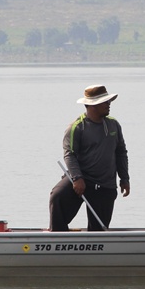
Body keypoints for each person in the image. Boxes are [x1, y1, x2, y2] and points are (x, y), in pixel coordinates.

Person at [49, 85, 130, 231]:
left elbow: (121, 152)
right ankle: (57, 237)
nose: (109, 104)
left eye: (108, 101)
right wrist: (77, 178)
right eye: (105, 102)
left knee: (98, 229)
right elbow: (69, 154)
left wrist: (124, 178)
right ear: (93, 105)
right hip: (80, 179)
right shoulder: (76, 127)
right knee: (57, 196)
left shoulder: (113, 125)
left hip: (105, 184)